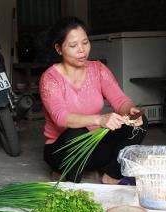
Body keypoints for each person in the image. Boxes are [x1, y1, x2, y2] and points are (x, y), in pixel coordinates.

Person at [39, 16, 148, 184]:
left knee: (139, 123)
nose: (82, 50)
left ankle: (112, 175)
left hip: (95, 147)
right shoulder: (50, 79)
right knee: (77, 133)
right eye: (74, 46)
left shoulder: (98, 70)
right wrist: (100, 119)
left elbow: (120, 100)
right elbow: (61, 118)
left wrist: (130, 110)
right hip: (64, 151)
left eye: (85, 42)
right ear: (59, 49)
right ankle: (72, 183)